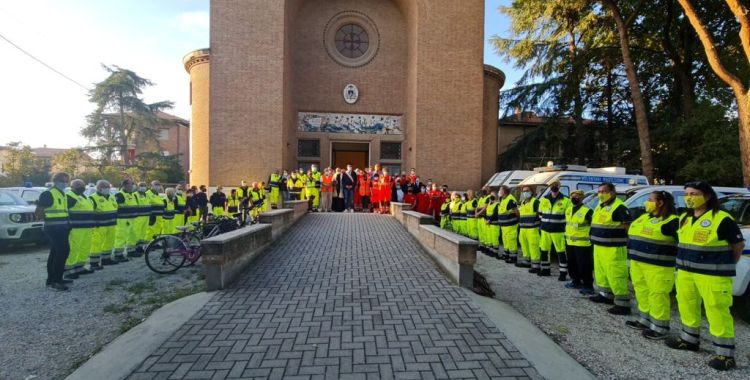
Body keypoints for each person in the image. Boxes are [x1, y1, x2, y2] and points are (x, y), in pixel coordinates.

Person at [665, 181, 744, 371]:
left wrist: (725, 265)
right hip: (686, 273)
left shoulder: (722, 218)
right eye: (687, 194)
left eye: (694, 193)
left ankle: (725, 355)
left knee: (717, 311)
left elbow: (738, 246)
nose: (690, 197)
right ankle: (689, 340)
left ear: (708, 196)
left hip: (713, 275)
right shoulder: (684, 217)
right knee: (687, 306)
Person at [626, 191, 679, 339]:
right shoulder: (644, 217)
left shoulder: (672, 221)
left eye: (650, 200)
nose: (646, 202)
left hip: (659, 267)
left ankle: (660, 327)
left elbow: (683, 243)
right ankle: (644, 319)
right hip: (638, 263)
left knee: (657, 295)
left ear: (660, 203)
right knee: (641, 291)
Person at [589, 182, 632, 315]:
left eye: (604, 191)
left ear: (612, 192)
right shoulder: (600, 206)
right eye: (599, 191)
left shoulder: (619, 207)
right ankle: (605, 295)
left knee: (616, 275)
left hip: (614, 248)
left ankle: (622, 304)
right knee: (601, 273)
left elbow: (627, 227)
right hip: (600, 246)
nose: (601, 194)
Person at [36, 172, 72, 291]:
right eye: (62, 180)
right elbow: (38, 212)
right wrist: (46, 220)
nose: (65, 183)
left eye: (67, 181)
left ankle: (53, 279)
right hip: (54, 228)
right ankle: (55, 281)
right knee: (62, 252)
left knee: (56, 253)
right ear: (55, 181)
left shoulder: (62, 194)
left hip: (63, 228)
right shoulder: (48, 193)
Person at [538, 181, 572, 279]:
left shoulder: (566, 200)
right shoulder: (544, 199)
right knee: (544, 250)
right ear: (549, 187)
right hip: (545, 229)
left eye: (556, 186)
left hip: (558, 230)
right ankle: (545, 270)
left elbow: (568, 216)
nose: (554, 187)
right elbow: (540, 214)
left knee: (561, 251)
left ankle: (563, 273)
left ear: (559, 187)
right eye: (552, 185)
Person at [63, 179, 95, 280]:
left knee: (84, 248)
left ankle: (80, 267)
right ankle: (68, 270)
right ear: (72, 187)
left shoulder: (84, 197)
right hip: (75, 228)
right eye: (78, 185)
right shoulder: (70, 197)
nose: (81, 187)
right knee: (74, 249)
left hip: (87, 228)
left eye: (82, 185)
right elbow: (65, 211)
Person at [564, 190, 594, 295]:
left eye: (576, 196)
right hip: (570, 242)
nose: (574, 198)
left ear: (581, 197)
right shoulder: (568, 209)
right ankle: (575, 281)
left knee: (584, 265)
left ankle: (588, 285)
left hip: (582, 244)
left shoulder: (587, 211)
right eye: (572, 196)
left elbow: (593, 226)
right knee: (572, 263)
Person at [91, 180, 119, 267]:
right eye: (104, 187)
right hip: (99, 226)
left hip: (111, 225)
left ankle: (106, 259)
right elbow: (90, 212)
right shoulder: (93, 198)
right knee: (96, 244)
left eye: (108, 187)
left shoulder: (111, 197)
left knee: (109, 243)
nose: (107, 189)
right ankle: (94, 262)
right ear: (98, 188)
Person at [113, 179, 138, 262]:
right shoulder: (120, 195)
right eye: (131, 184)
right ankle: (118, 255)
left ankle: (131, 251)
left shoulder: (132, 194)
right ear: (125, 185)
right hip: (122, 219)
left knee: (132, 236)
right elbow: (114, 207)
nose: (133, 185)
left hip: (131, 219)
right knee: (121, 236)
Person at [518, 186, 541, 273]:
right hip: (523, 228)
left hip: (532, 229)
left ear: (531, 192)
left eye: (527, 191)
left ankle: (536, 266)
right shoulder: (523, 202)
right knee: (524, 245)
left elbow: (540, 214)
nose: (525, 192)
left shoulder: (535, 201)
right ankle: (526, 262)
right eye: (524, 191)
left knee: (533, 246)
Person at [497, 186, 519, 264]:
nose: (499, 191)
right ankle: (506, 255)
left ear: (504, 191)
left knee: (511, 240)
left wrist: (517, 220)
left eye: (500, 190)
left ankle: (513, 257)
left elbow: (516, 212)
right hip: (504, 225)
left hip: (511, 224)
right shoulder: (502, 199)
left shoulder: (510, 199)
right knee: (505, 240)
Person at [132, 182, 151, 254]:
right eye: (141, 186)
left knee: (143, 233)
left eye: (144, 186)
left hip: (146, 217)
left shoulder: (147, 195)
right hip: (138, 217)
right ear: (138, 187)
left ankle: (140, 247)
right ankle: (135, 248)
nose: (143, 187)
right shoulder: (135, 195)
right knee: (137, 234)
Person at [484, 192, 501, 257]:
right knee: (489, 238)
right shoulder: (489, 204)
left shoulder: (497, 204)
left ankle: (495, 252)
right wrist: (485, 219)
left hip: (494, 224)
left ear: (496, 196)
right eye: (490, 195)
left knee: (494, 238)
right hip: (488, 224)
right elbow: (485, 212)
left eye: (492, 195)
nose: (491, 196)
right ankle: (490, 250)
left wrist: (489, 220)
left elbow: (495, 214)